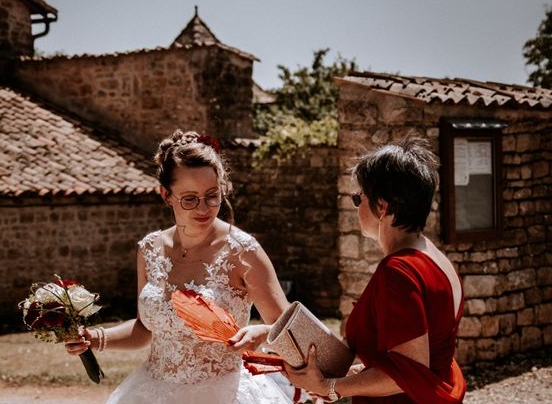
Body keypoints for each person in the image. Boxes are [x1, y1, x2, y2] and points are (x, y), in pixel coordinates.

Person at [65, 129, 292, 403]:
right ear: (166, 194)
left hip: (223, 393)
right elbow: (144, 329)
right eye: (189, 198)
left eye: (212, 195)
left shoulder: (242, 251)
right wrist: (94, 338)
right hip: (152, 391)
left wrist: (262, 332)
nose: (203, 208)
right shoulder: (149, 249)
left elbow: (291, 330)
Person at [284, 136, 466, 403]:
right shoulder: (436, 258)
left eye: (359, 198)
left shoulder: (399, 272)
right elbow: (410, 360)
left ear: (382, 206)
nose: (356, 207)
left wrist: (330, 387)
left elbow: (405, 373)